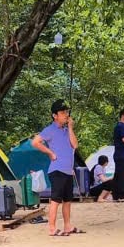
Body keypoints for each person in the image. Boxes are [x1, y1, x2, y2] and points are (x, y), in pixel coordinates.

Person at [32, 99, 82, 236]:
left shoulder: (67, 130)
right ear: (55, 115)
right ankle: (52, 228)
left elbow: (75, 145)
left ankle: (67, 226)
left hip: (67, 170)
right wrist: (50, 153)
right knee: (55, 200)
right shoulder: (49, 130)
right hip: (57, 170)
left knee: (67, 200)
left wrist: (71, 128)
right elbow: (35, 142)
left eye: (67, 112)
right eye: (62, 112)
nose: (66, 114)